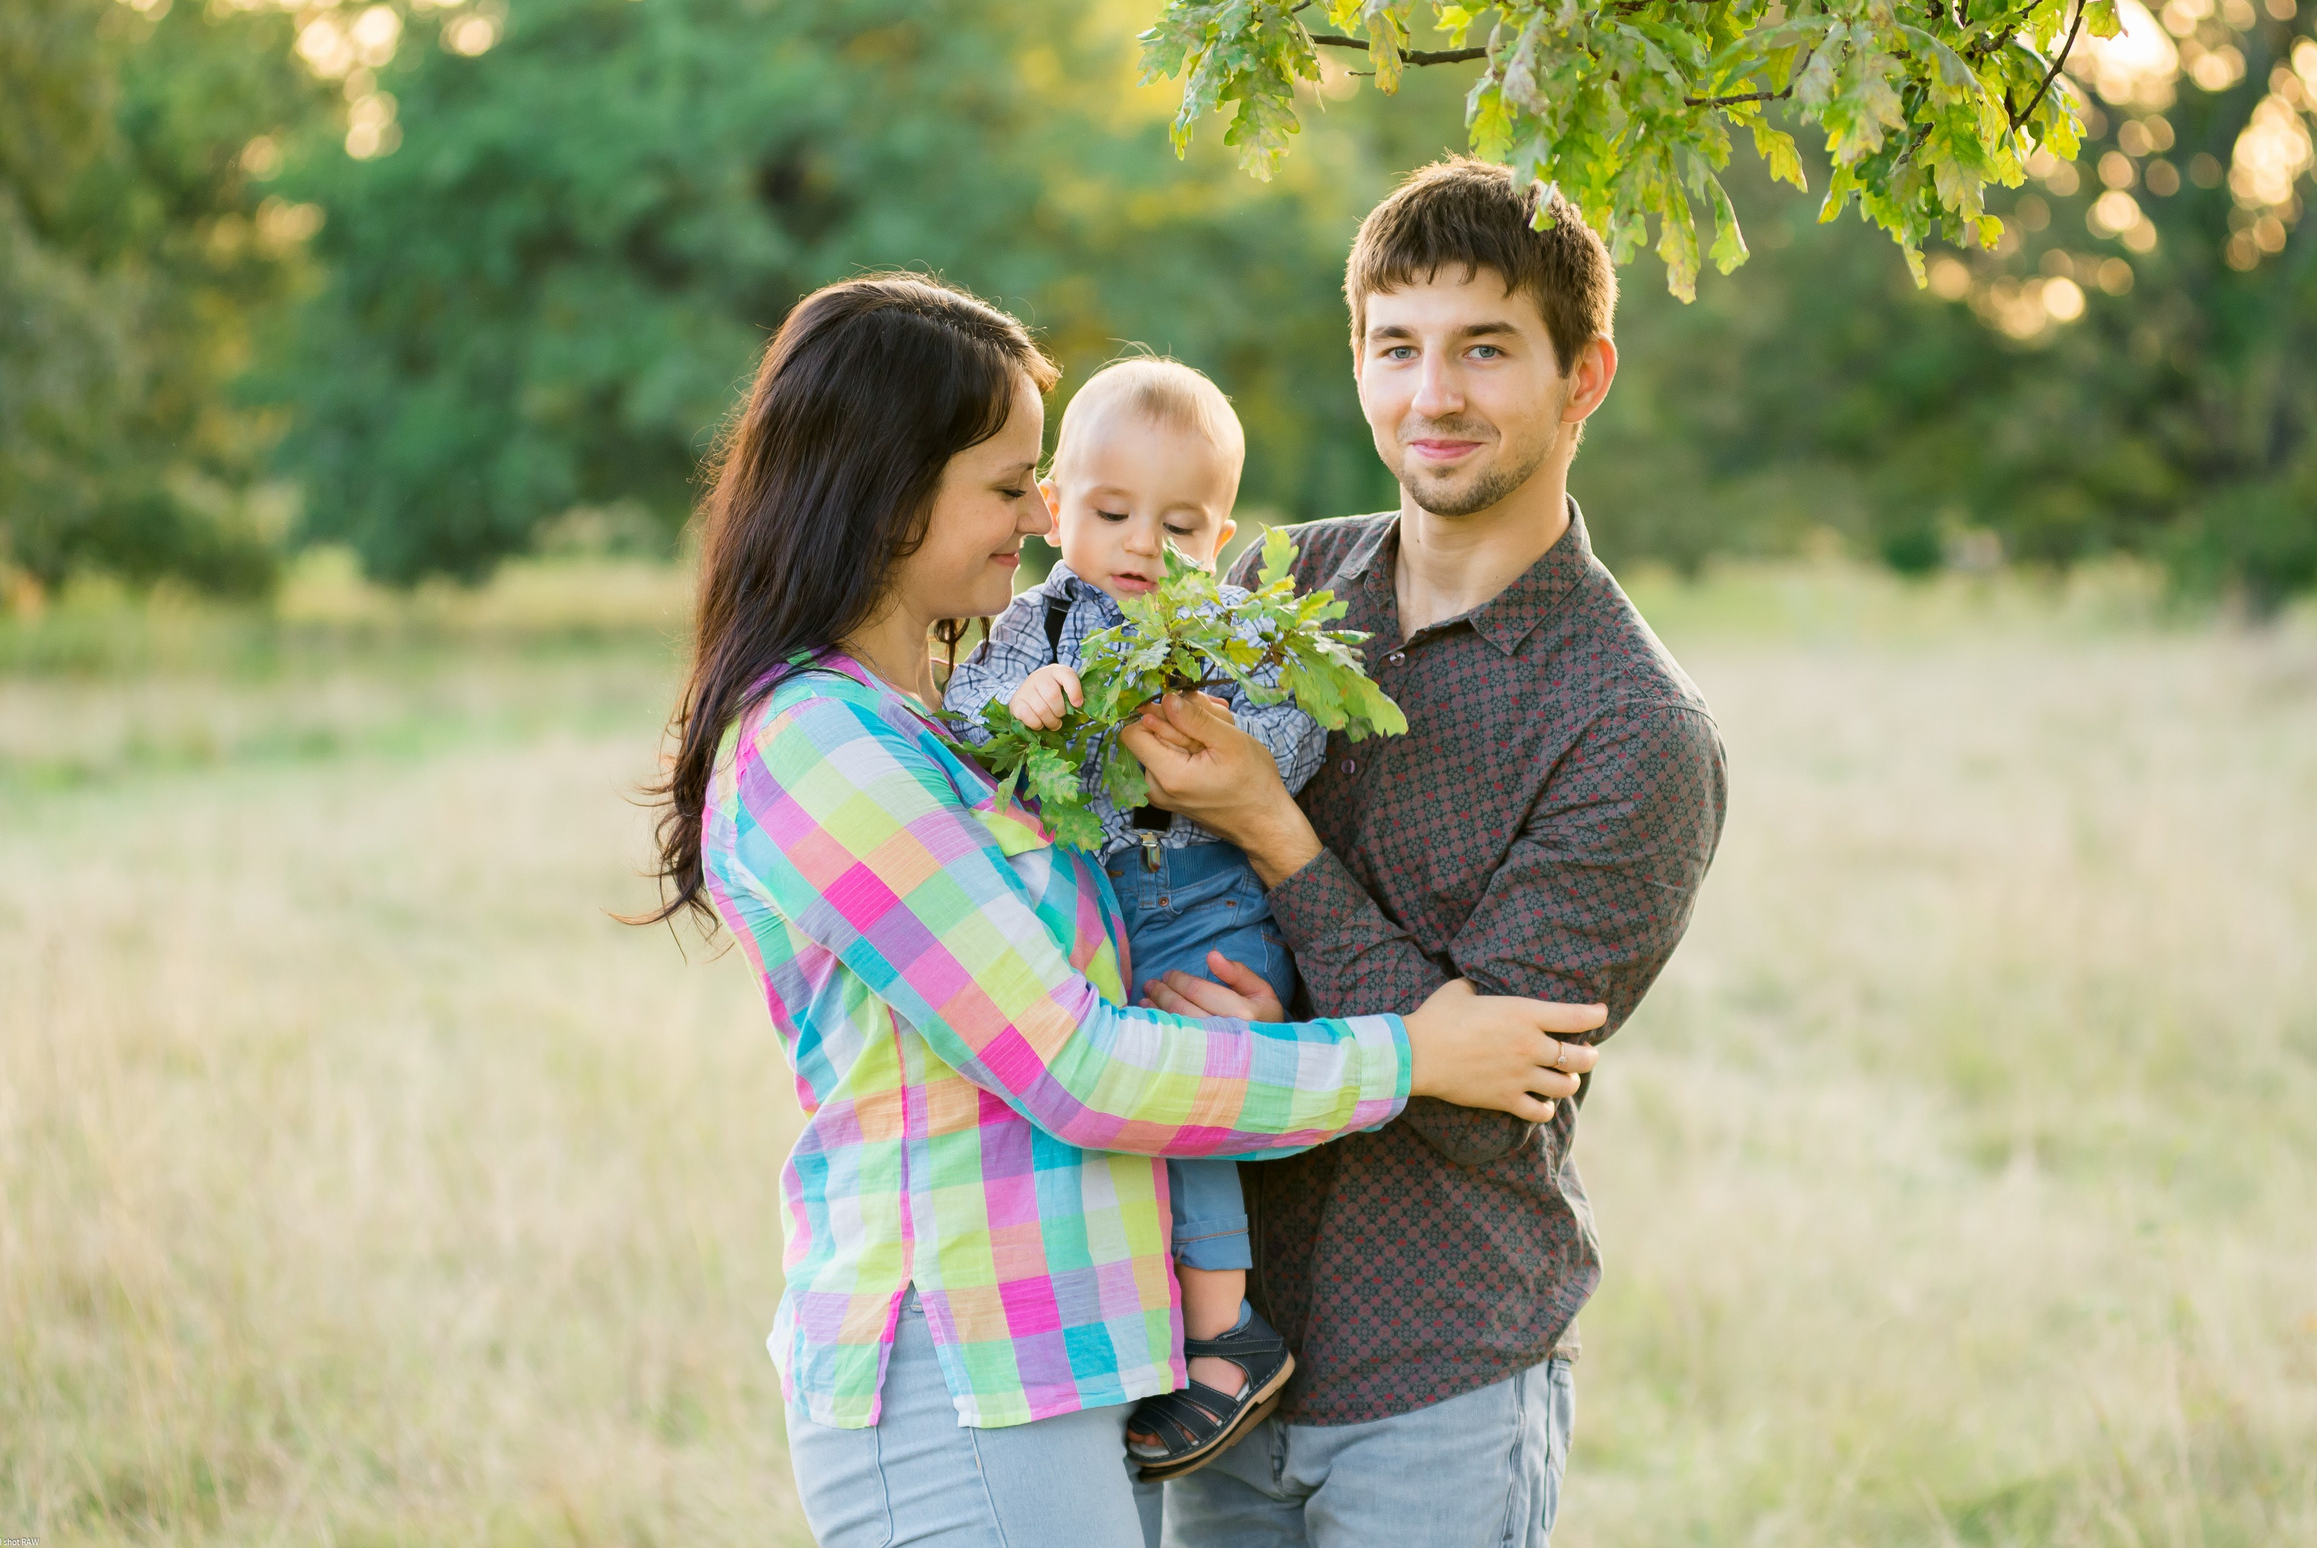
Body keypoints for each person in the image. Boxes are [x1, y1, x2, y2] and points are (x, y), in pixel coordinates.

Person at [641, 270, 1609, 1548]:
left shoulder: (924, 732)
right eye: (1006, 486)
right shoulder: (824, 747)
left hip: (1049, 1365)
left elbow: (1090, 994)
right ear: (886, 490)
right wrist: (1414, 1052)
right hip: (961, 1362)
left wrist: (1231, 1005)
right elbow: (1074, 1063)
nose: (1032, 520)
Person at [1121, 160, 1730, 1548]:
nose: (1432, 395)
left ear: (1586, 377)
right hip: (1215, 1357)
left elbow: (1473, 1092)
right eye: (1398, 347)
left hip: (1442, 1373)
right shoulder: (1277, 586)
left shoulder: (1634, 729)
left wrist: (1272, 832)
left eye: (1485, 350)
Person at [940, 357, 1325, 1480]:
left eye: (1182, 524)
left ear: (1223, 533)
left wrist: (1228, 741)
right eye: (1112, 513)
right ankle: (1159, 1324)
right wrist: (1021, 702)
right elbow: (963, 709)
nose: (1145, 544)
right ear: (1057, 509)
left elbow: (1296, 745)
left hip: (1207, 904)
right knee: (1109, 1105)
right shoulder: (1037, 622)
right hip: (1102, 904)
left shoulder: (1226, 632)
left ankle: (1223, 1332)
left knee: (1183, 1098)